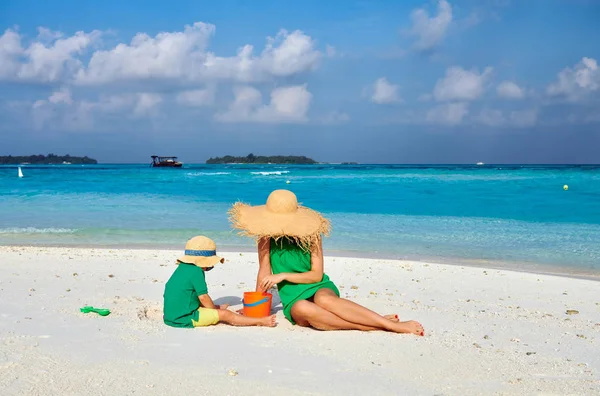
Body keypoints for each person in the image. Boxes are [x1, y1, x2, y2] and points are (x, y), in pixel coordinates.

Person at [229, 189, 424, 335]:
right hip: (294, 299)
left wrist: (283, 275)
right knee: (300, 308)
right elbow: (264, 271)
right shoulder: (266, 237)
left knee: (324, 299)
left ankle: (389, 325)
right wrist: (254, 307)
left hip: (318, 286)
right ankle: (374, 324)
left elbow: (316, 275)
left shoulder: (312, 235)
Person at [163, 235, 277, 328]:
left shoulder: (182, 268)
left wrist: (214, 307)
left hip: (170, 315)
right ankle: (261, 321)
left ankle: (215, 308)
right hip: (185, 318)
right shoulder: (197, 271)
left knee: (213, 308)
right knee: (226, 314)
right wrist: (215, 311)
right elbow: (203, 297)